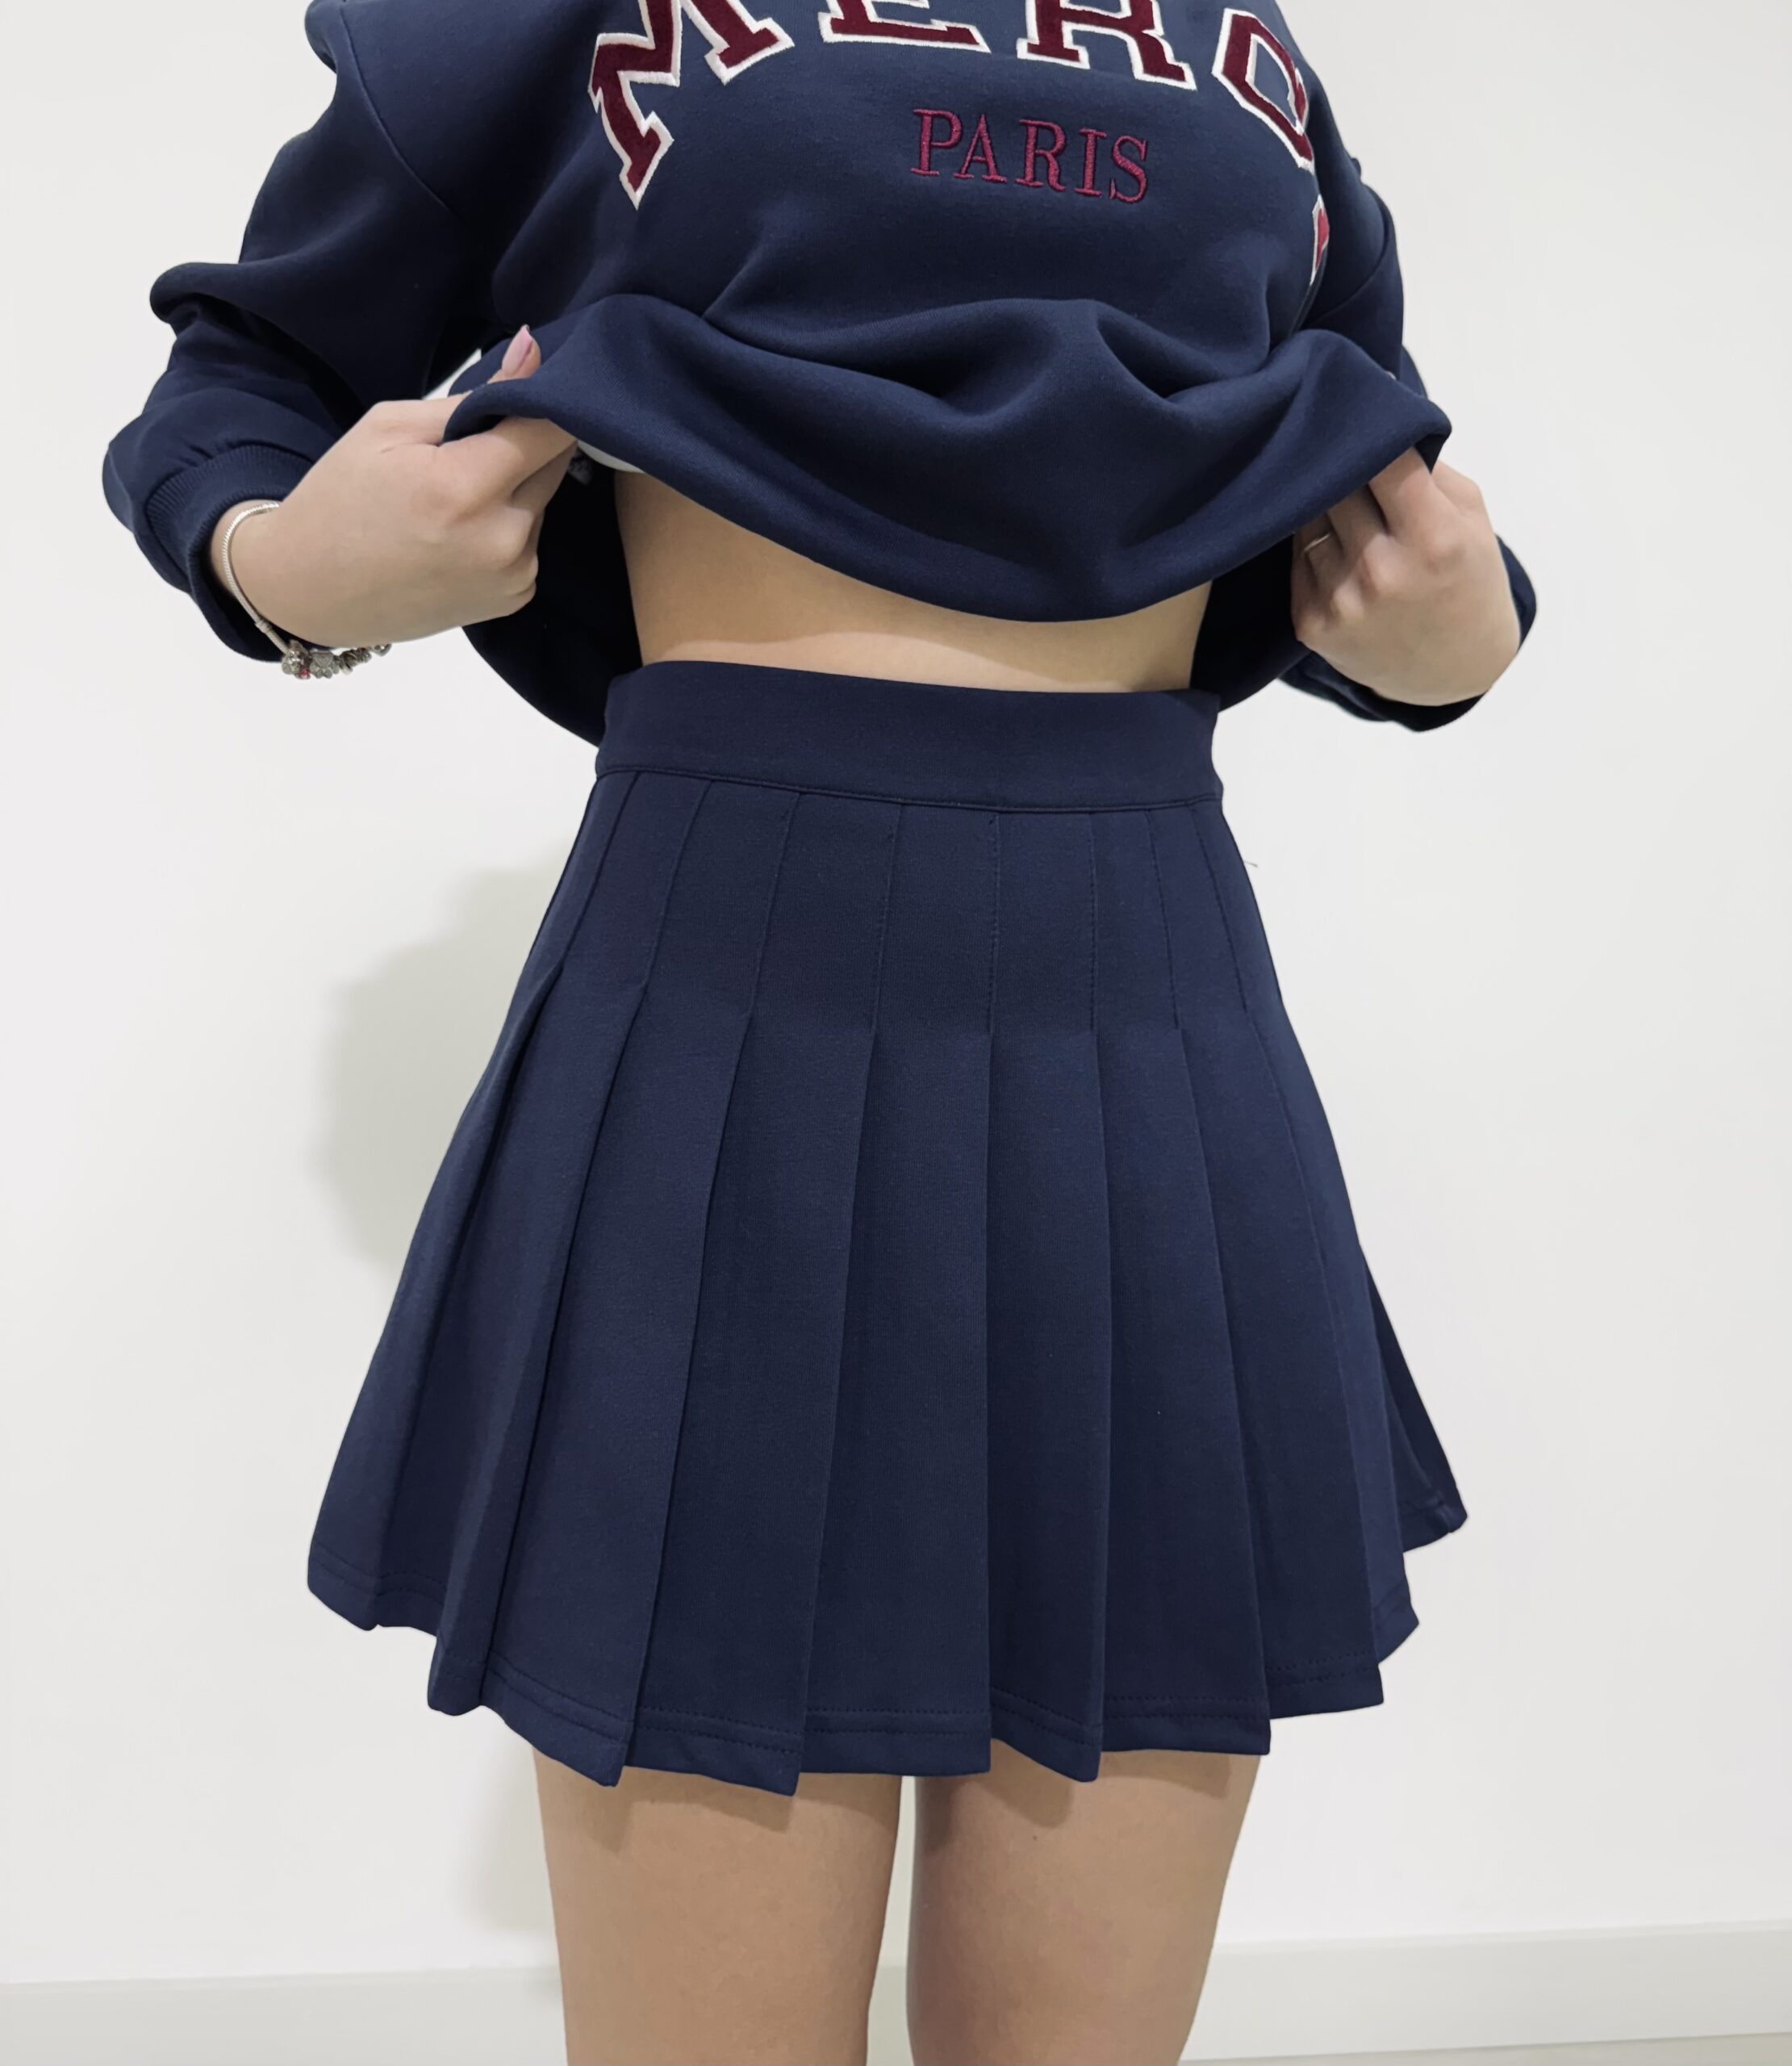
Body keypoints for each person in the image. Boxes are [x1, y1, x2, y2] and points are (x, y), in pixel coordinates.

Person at [102, 1, 1535, 2059]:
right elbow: (247, 372)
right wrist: (281, 567)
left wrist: (1458, 645)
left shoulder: (1242, 40)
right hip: (726, 1007)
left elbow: (1363, 473)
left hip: (1148, 1015)